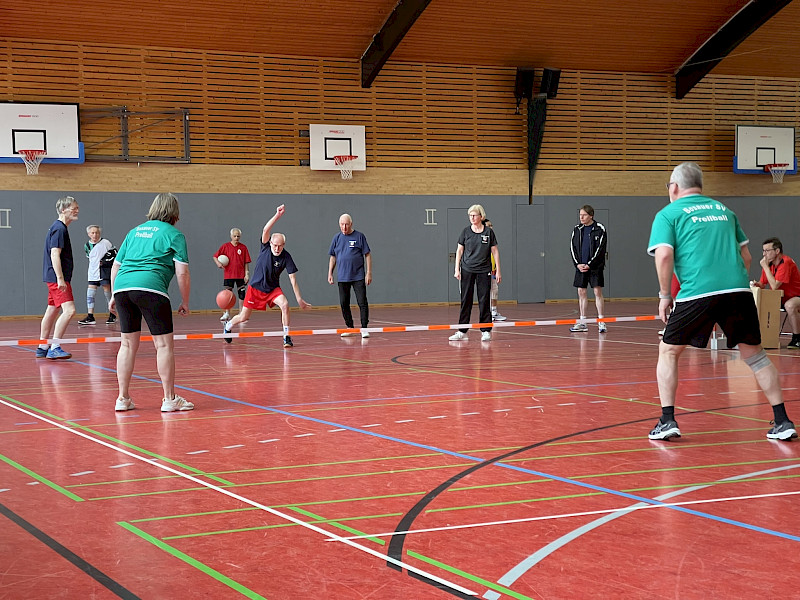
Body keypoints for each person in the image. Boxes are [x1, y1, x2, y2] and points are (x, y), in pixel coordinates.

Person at [647, 162, 796, 441]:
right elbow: (748, 258)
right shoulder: (725, 212)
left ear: (674, 187)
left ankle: (667, 420)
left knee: (668, 351)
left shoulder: (669, 214)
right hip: (738, 291)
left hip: (697, 293)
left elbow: (664, 255)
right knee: (756, 356)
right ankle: (782, 421)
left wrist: (665, 295)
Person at [109, 193, 193, 413]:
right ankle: (169, 399)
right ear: (175, 212)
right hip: (151, 287)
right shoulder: (175, 235)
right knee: (163, 345)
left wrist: (113, 295)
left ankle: (122, 398)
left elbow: (116, 266)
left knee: (126, 345)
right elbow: (182, 273)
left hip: (123, 288)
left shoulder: (134, 232)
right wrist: (185, 300)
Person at [223, 205, 310, 348]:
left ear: (284, 245)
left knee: (285, 305)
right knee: (244, 317)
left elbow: (293, 279)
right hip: (255, 288)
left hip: (272, 289)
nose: (277, 248)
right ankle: (229, 325)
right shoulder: (265, 247)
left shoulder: (286, 257)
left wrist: (299, 299)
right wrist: (277, 215)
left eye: (280, 246)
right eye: (275, 245)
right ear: (270, 243)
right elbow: (265, 230)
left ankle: (286, 336)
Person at [37, 196, 80, 359]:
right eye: (73, 208)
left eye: (77, 208)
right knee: (70, 311)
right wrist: (60, 279)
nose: (77, 211)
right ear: (63, 210)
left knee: (52, 310)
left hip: (53, 277)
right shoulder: (59, 228)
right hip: (57, 279)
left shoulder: (59, 228)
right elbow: (55, 253)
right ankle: (55, 346)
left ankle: (42, 346)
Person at [449, 204, 500, 342]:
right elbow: (459, 250)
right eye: (470, 215)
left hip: (484, 271)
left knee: (484, 300)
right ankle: (462, 331)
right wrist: (456, 269)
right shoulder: (465, 232)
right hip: (467, 269)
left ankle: (485, 330)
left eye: (474, 215)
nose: (472, 218)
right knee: (466, 300)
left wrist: (499, 271)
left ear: (481, 216)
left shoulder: (488, 233)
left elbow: (495, 251)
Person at [328, 213, 372, 338]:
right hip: (342, 277)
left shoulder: (359, 236)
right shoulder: (336, 238)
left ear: (351, 224)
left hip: (358, 275)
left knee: (362, 301)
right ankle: (350, 327)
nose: (344, 227)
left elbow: (367, 254)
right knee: (343, 303)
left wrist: (368, 272)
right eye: (342, 224)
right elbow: (333, 257)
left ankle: (364, 328)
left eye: (346, 224)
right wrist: (330, 273)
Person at [752, 237, 800, 349]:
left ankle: (797, 338)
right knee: (761, 302)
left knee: (790, 305)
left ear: (777, 251)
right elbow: (763, 283)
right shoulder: (769, 265)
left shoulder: (785, 262)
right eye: (763, 251)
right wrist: (756, 284)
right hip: (781, 298)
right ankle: (763, 338)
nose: (764, 254)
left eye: (767, 251)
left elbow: (774, 286)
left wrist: (765, 267)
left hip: (796, 296)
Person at [569, 205, 608, 333]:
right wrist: (578, 264)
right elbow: (572, 248)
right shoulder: (577, 230)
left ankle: (601, 322)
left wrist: (590, 264)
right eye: (580, 215)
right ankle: (582, 322)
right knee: (581, 292)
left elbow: (600, 249)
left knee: (597, 292)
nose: (581, 217)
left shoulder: (600, 229)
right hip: (580, 267)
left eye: (584, 215)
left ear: (591, 215)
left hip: (595, 267)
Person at [79, 225, 116, 325]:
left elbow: (114, 254)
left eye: (97, 233)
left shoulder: (106, 243)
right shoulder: (87, 245)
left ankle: (112, 313)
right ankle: (90, 316)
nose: (95, 235)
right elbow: (90, 257)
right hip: (92, 271)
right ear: (88, 234)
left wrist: (105, 262)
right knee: (90, 293)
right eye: (92, 233)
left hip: (104, 271)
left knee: (107, 291)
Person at [213, 227, 251, 322]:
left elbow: (246, 262)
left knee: (241, 294)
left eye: (238, 236)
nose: (236, 238)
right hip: (229, 275)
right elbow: (215, 256)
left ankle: (242, 313)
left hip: (240, 275)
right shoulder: (225, 246)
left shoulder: (243, 247)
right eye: (234, 236)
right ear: (231, 236)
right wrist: (218, 263)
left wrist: (246, 274)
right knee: (227, 296)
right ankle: (227, 313)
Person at [483, 218, 506, 321]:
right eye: (488, 226)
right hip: (484, 270)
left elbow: (495, 255)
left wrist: (497, 270)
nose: (491, 227)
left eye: (491, 225)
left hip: (493, 270)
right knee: (486, 292)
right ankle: (487, 313)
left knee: (495, 290)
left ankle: (494, 311)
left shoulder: (492, 240)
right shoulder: (483, 240)